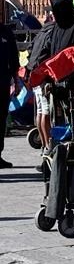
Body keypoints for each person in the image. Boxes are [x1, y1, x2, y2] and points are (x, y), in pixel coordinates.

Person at [26, 0, 74, 170]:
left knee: (54, 117)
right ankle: (60, 155)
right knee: (66, 120)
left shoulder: (57, 28)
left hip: (59, 82)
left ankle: (53, 154)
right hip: (70, 83)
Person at [0, 20, 19, 169]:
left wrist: (16, 80)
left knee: (1, 119)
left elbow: (13, 58)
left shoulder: (6, 31)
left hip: (2, 82)